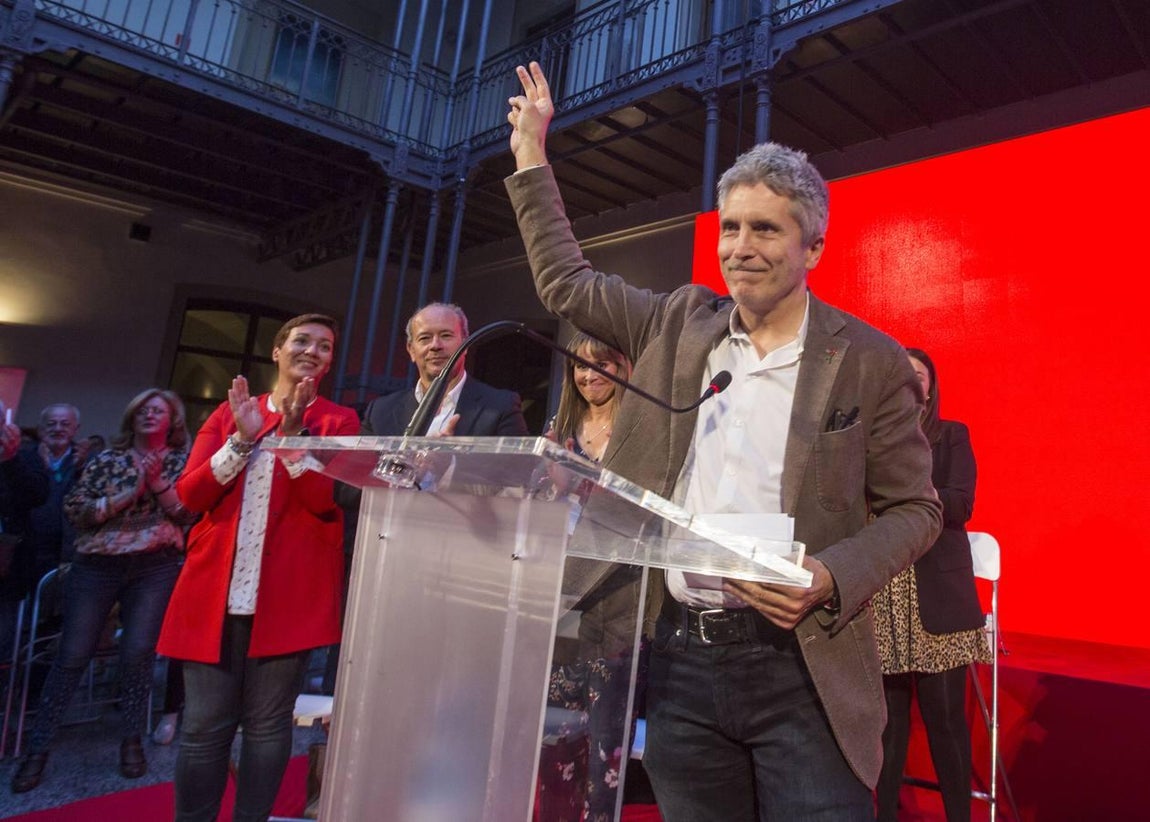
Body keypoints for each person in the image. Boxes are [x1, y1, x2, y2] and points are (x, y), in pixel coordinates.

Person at [505, 62, 941, 820]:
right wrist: (531, 157)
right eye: (731, 227)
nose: (741, 246)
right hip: (681, 664)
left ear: (813, 248)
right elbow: (564, 284)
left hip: (801, 664)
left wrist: (830, 576)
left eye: (766, 229)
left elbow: (916, 508)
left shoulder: (867, 359)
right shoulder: (676, 321)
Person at [157, 313, 359, 822]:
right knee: (203, 728)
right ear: (277, 351)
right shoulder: (232, 413)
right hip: (214, 593)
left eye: (325, 346)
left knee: (268, 727)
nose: (313, 351)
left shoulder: (340, 422)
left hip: (289, 596)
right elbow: (191, 494)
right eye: (302, 341)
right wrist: (243, 441)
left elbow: (323, 503)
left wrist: (293, 436)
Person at [11, 389, 196, 793]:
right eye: (142, 410)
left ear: (172, 421)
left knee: (138, 653)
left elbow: (187, 513)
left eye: (158, 410)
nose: (149, 415)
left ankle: (131, 741)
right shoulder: (107, 460)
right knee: (72, 654)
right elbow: (75, 509)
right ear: (131, 418)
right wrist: (127, 495)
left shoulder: (182, 462)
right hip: (97, 564)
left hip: (155, 566)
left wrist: (159, 484)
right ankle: (38, 749)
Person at [873, 348, 989, 822]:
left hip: (937, 597)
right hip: (883, 593)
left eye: (918, 374)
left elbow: (960, 506)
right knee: (889, 721)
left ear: (931, 386)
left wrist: (904, 495)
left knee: (944, 719)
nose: (910, 380)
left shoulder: (952, 436)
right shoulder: (872, 438)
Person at [543, 333, 638, 821]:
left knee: (605, 738)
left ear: (624, 367)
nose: (589, 374)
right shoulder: (560, 428)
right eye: (580, 366)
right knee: (557, 733)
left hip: (619, 597)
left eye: (602, 363)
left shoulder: (641, 427)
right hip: (562, 595)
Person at [361, 302, 529, 437]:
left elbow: (516, 475)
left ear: (465, 345)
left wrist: (449, 463)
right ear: (411, 350)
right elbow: (356, 475)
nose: (435, 345)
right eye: (425, 338)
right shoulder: (380, 411)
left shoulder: (501, 406)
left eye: (446, 335)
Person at [0, 400, 50, 666]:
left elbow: (38, 495)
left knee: (4, 639)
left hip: (7, 565)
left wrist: (10, 461)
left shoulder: (24, 454)